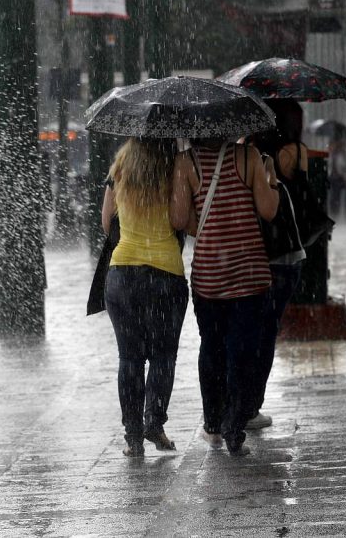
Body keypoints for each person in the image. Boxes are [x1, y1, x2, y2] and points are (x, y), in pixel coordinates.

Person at [172, 137, 279, 457]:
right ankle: (235, 425)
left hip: (209, 276)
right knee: (243, 350)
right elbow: (269, 210)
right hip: (249, 272)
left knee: (212, 347)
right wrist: (269, 177)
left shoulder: (185, 162)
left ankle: (214, 423)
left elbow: (178, 219)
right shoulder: (248, 157)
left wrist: (207, 227)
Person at [100, 138, 189, 457]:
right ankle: (155, 422)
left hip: (122, 274)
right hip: (164, 274)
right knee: (163, 356)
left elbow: (105, 220)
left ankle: (133, 436)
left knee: (129, 357)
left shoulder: (121, 166)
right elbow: (180, 220)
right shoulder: (175, 166)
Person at [246, 100, 309, 431]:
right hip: (287, 253)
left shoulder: (251, 153)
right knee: (267, 332)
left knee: (251, 330)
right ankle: (253, 402)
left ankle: (243, 401)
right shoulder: (296, 152)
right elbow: (302, 195)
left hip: (255, 252)